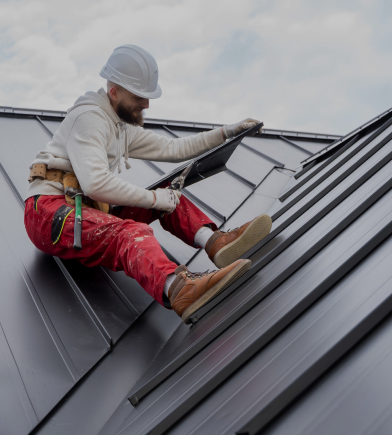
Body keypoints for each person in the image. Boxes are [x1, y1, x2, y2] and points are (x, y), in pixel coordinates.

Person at [24, 44, 272, 324]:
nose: (146, 104)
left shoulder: (118, 126)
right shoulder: (90, 119)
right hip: (48, 213)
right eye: (139, 96)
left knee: (168, 196)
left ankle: (216, 243)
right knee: (130, 232)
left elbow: (173, 148)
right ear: (114, 91)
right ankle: (179, 289)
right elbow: (95, 184)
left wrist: (227, 132)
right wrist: (152, 199)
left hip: (83, 212)